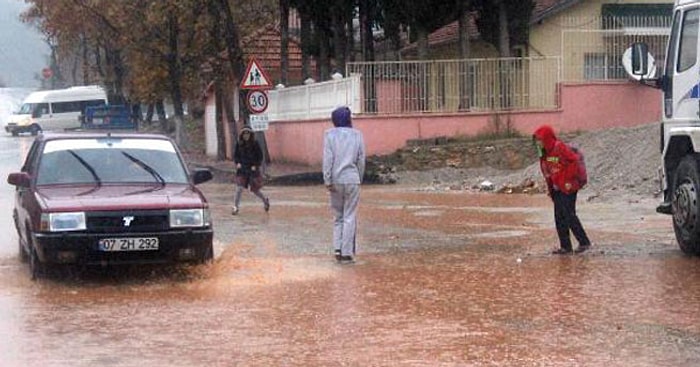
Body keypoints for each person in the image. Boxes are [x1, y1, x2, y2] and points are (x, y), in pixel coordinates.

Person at [533, 125, 591, 255]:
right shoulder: (543, 153)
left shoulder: (559, 147)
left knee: (569, 215)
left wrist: (567, 180)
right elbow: (547, 170)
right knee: (559, 217)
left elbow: (573, 161)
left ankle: (584, 242)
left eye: (540, 140)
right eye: (536, 140)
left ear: (546, 138)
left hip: (568, 186)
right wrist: (550, 188)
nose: (538, 143)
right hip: (557, 188)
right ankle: (565, 247)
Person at [323, 107, 366, 264]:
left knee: (337, 215)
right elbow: (361, 159)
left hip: (335, 179)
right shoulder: (357, 135)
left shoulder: (329, 135)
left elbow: (328, 159)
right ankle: (347, 252)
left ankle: (337, 248)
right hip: (352, 179)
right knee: (350, 215)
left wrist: (327, 180)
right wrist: (358, 178)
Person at [232, 126, 269, 215]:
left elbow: (260, 156)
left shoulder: (255, 143)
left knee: (255, 190)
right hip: (242, 170)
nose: (246, 135)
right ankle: (235, 207)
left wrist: (255, 165)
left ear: (250, 134)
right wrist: (237, 163)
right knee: (239, 188)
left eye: (248, 133)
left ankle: (265, 201)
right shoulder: (239, 143)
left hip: (252, 170)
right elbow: (236, 155)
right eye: (244, 134)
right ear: (242, 135)